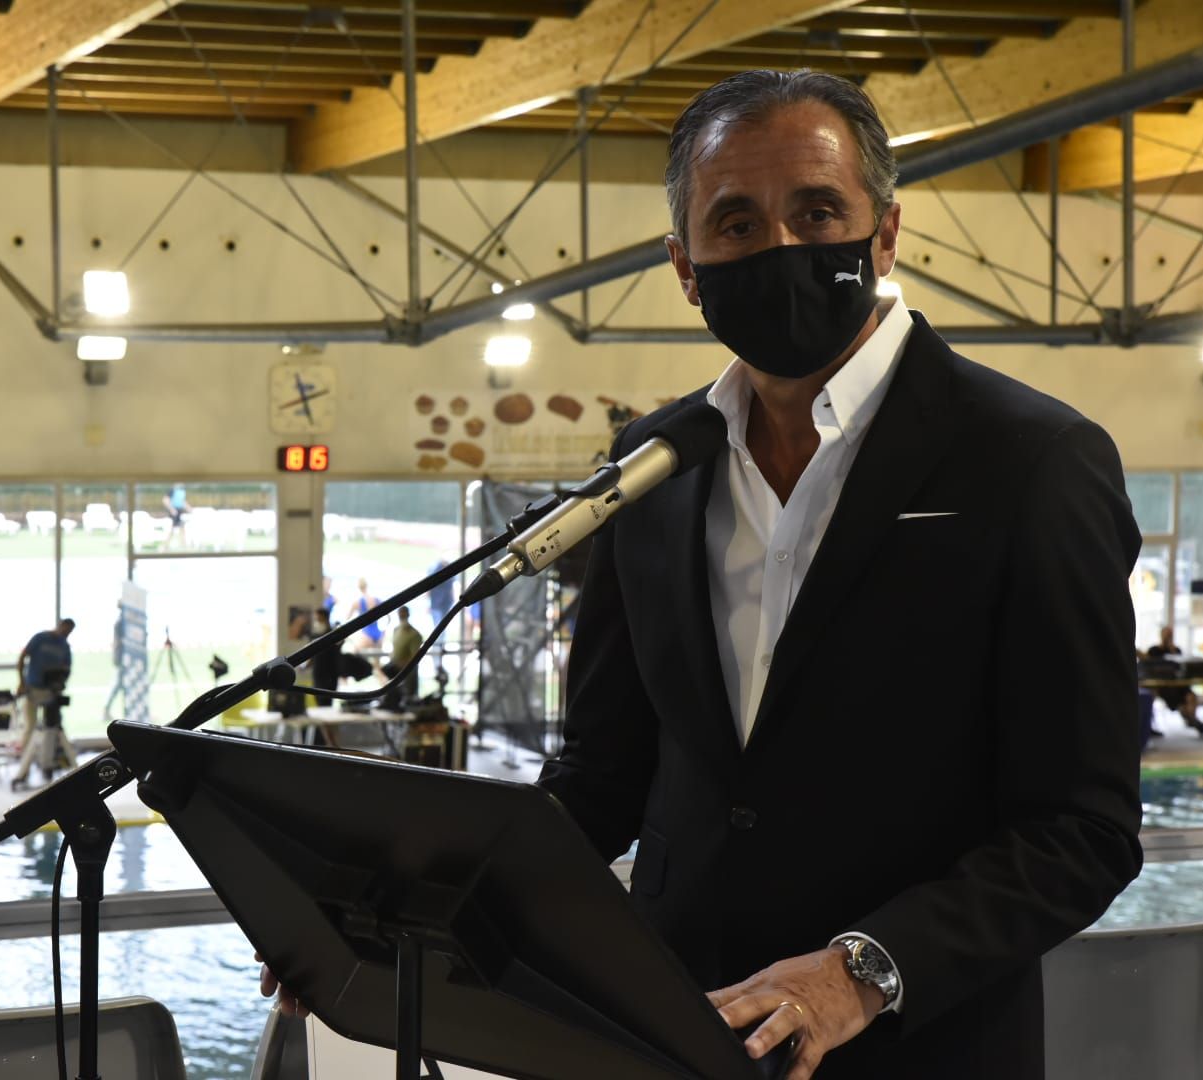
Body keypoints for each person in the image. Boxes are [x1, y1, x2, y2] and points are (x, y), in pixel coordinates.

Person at [264, 70, 1143, 1080]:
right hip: (671, 1034)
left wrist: (862, 971)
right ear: (686, 266)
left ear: (886, 233)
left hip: (920, 1048)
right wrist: (400, 909)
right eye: (735, 223)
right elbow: (602, 780)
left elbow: (1081, 826)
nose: (780, 248)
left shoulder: (1029, 461)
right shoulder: (654, 469)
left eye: (818, 212)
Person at [12, 618, 76, 789]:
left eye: (69, 632)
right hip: (33, 690)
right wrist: (21, 682)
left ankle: (49, 764)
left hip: (51, 693)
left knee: (52, 729)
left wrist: (60, 684)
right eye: (65, 630)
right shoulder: (40, 639)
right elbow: (23, 657)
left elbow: (67, 669)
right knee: (30, 728)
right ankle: (23, 771)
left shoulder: (65, 647)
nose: (65, 634)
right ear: (60, 625)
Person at [1145, 626, 1203, 737]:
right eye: (1166, 635)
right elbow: (1149, 667)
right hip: (1163, 686)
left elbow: (1181, 668)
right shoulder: (1154, 650)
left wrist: (1172, 650)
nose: (1168, 637)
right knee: (1173, 699)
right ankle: (1194, 722)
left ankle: (1193, 720)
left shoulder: (1177, 650)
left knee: (1190, 697)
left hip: (1179, 684)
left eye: (1170, 635)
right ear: (1161, 635)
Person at [388, 606, 425, 703]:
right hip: (395, 665)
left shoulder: (414, 634)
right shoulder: (396, 630)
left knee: (407, 695)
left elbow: (415, 657)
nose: (401, 615)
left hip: (406, 669)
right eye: (400, 612)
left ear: (408, 614)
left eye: (403, 612)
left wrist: (403, 664)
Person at [348, 578, 383, 647]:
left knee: (356, 654)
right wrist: (383, 633)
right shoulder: (377, 600)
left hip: (366, 634)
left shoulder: (357, 602)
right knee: (377, 656)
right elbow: (388, 618)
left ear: (358, 587)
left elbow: (347, 618)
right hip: (378, 633)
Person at [162, 484, 187, 549]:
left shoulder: (182, 490)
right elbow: (165, 500)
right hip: (174, 512)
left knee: (182, 528)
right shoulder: (172, 490)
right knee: (171, 529)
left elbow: (182, 501)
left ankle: (183, 545)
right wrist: (172, 509)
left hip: (180, 512)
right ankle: (165, 546)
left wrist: (189, 508)